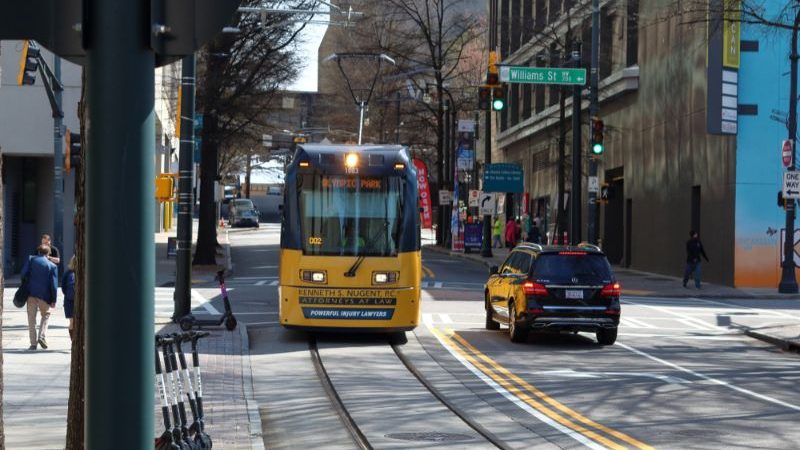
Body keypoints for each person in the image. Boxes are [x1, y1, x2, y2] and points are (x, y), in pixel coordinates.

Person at [21, 245, 58, 350]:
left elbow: (23, 274)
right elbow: (54, 286)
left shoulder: (31, 260)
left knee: (31, 319)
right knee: (45, 315)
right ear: (48, 253)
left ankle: (33, 344)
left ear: (38, 251)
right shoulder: (52, 266)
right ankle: (41, 336)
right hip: (44, 296)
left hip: (31, 293)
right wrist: (54, 299)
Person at [62, 256, 77, 341]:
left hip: (69, 301)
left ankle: (73, 341)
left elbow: (63, 288)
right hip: (76, 301)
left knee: (72, 322)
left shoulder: (67, 273)